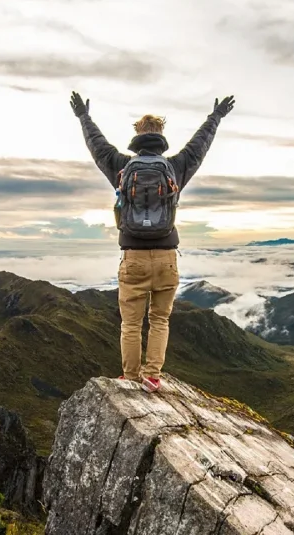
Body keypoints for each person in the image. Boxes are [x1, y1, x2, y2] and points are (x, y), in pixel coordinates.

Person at [69, 91, 235, 392]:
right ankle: (152, 376)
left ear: (137, 136)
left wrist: (83, 116)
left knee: (130, 324)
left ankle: (131, 377)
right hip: (166, 257)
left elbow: (97, 146)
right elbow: (200, 146)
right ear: (161, 137)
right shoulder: (176, 167)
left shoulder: (121, 166)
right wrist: (216, 117)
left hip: (132, 256)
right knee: (160, 319)